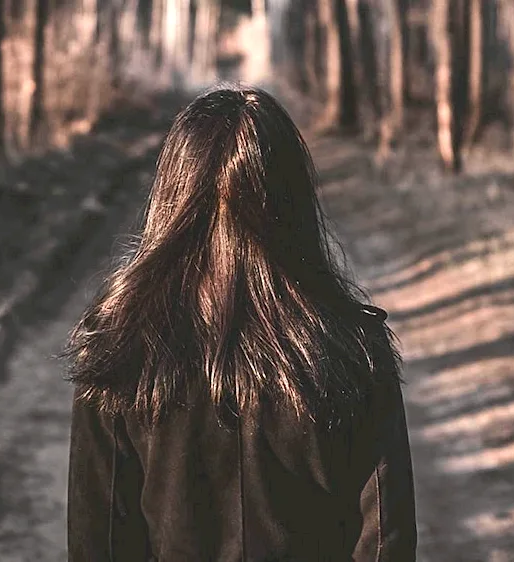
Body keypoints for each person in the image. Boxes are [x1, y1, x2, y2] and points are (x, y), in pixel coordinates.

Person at [63, 85, 416, 561]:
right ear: (292, 202)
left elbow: (99, 543)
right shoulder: (354, 350)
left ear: (173, 198)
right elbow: (384, 545)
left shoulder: (120, 345)